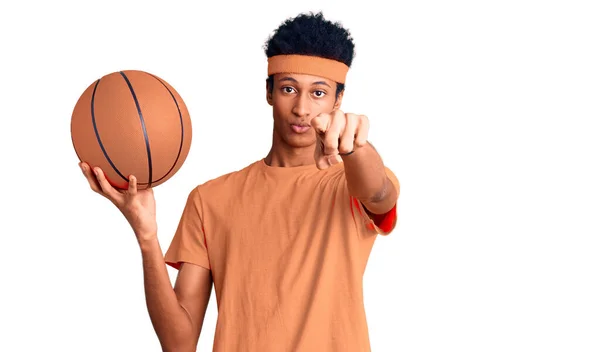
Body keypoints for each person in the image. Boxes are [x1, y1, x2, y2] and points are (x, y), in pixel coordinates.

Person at [79, 11, 400, 352]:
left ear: (338, 100)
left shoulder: (349, 183)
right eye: (289, 88)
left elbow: (379, 193)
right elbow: (179, 343)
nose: (302, 108)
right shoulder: (211, 198)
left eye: (318, 94)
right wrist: (146, 236)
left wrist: (355, 147)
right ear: (269, 92)